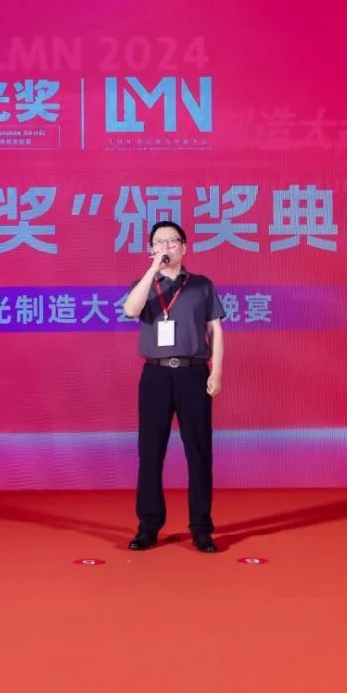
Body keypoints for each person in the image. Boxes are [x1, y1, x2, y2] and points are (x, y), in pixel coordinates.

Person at [122, 220, 226, 553]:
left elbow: (215, 330)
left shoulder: (201, 285)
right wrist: (153, 269)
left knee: (199, 453)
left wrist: (216, 372)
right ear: (151, 249)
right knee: (150, 452)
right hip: (155, 376)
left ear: (184, 247)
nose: (166, 247)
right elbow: (130, 310)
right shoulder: (144, 284)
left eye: (172, 241)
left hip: (193, 374)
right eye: (159, 242)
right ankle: (148, 526)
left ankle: (201, 529)